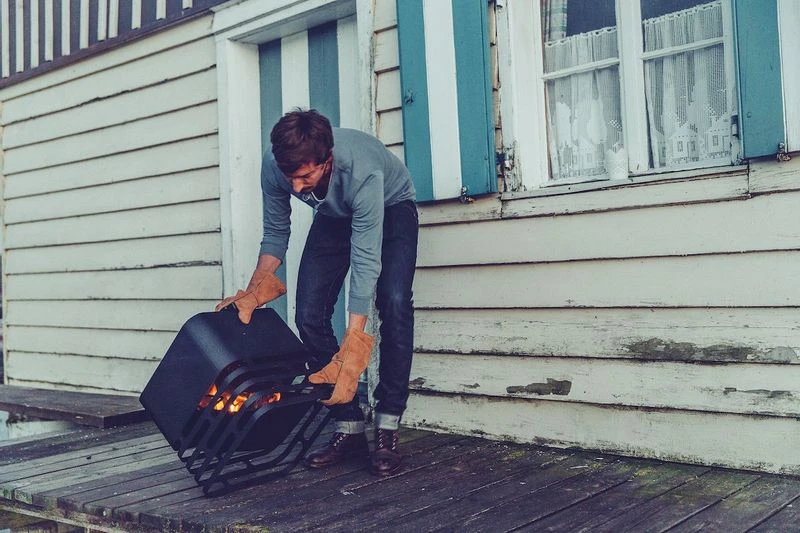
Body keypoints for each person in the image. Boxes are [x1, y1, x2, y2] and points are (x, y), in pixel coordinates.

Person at [215, 109, 418, 476]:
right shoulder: (275, 164)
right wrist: (256, 288)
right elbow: (276, 231)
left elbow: (365, 262)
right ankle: (348, 425)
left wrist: (354, 343)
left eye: (305, 177)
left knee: (394, 302)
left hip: (391, 207)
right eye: (290, 178)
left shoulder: (362, 172)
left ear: (327, 160)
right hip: (335, 215)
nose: (296, 188)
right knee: (309, 313)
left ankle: (387, 425)